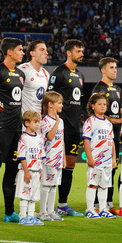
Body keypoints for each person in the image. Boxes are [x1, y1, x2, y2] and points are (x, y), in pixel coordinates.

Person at [0, 38, 25, 225]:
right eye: (20, 50)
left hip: (16, 130)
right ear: (9, 52)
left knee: (12, 171)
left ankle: (9, 212)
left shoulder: (20, 74)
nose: (23, 53)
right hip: (0, 129)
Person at [48, 39, 85, 216]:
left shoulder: (80, 75)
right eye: (78, 51)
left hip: (74, 127)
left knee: (70, 165)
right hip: (60, 127)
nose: (82, 54)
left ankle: (62, 205)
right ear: (68, 53)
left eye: (82, 51)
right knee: (55, 166)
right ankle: (47, 207)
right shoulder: (58, 73)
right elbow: (48, 98)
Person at [91, 57, 122, 215]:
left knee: (112, 169)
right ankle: (96, 203)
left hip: (116, 135)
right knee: (100, 169)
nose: (115, 70)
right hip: (101, 136)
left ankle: (108, 201)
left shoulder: (118, 90)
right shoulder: (99, 89)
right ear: (103, 70)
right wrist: (118, 120)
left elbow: (120, 110)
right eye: (111, 67)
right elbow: (98, 113)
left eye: (116, 67)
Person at [83, 93, 117, 219]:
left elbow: (111, 141)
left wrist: (113, 158)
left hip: (107, 160)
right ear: (93, 106)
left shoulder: (108, 123)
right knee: (93, 184)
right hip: (95, 159)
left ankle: (103, 209)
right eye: (99, 104)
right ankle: (89, 209)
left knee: (104, 185)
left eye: (104, 104)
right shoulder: (90, 122)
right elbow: (86, 140)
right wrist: (89, 158)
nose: (103, 106)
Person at [38, 91, 66, 221]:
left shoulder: (61, 121)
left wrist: (64, 158)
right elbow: (49, 137)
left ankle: (50, 211)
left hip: (58, 158)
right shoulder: (45, 121)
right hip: (48, 158)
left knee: (54, 185)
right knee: (46, 185)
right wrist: (57, 122)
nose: (62, 106)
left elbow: (62, 140)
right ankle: (42, 212)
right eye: (59, 103)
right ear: (50, 105)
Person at [15, 111, 45, 226]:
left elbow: (41, 155)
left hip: (37, 171)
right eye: (35, 122)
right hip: (26, 171)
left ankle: (31, 216)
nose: (38, 124)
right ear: (27, 123)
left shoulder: (39, 138)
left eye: (39, 122)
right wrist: (26, 172)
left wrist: (41, 170)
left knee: (34, 195)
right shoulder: (24, 138)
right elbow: (22, 156)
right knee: (25, 194)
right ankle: (22, 216)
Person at [18, 39, 49, 116]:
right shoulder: (22, 70)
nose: (46, 53)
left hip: (37, 122)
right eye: (42, 50)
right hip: (22, 122)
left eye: (46, 50)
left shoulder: (46, 74)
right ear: (32, 53)